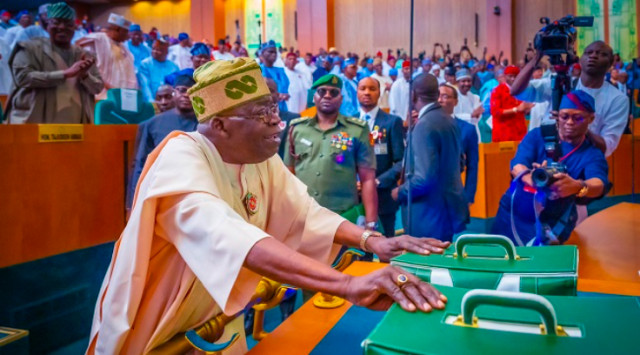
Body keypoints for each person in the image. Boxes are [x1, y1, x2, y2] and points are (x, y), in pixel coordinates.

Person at [89, 58, 449, 354]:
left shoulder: (257, 156)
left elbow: (305, 214)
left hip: (218, 325)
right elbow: (229, 237)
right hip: (156, 330)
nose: (278, 121)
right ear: (220, 124)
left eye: (275, 110)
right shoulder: (180, 156)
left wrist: (373, 242)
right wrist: (346, 285)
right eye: (262, 114)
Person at [492, 90, 609, 246]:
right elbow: (517, 165)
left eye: (578, 118)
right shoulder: (538, 135)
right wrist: (531, 178)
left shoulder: (590, 153)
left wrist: (577, 187)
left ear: (591, 119)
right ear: (557, 116)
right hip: (512, 216)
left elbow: (599, 183)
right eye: (564, 116)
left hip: (553, 224)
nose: (569, 122)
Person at [284, 74, 379, 229]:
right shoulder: (296, 129)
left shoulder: (357, 130)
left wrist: (371, 222)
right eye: (322, 91)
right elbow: (288, 175)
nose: (327, 96)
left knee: (345, 255)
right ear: (314, 97)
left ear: (341, 99)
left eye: (333, 92)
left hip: (343, 216)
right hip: (303, 215)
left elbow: (368, 179)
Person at [511, 41, 629, 157]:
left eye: (601, 54)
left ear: (611, 63)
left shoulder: (618, 99)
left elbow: (606, 147)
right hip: (547, 155)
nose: (593, 56)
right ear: (580, 60)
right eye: (589, 53)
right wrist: (537, 57)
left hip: (583, 162)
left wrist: (577, 125)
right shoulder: (560, 83)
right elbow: (516, 91)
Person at [392, 74, 469, 241]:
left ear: (413, 95)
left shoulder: (424, 125)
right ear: (436, 94)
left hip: (428, 214)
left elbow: (424, 179)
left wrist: (400, 191)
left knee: (426, 265)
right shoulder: (448, 119)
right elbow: (460, 163)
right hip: (446, 210)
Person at [5, 2, 103, 124]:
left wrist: (85, 75)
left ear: (75, 28)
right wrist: (65, 74)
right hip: (35, 124)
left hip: (76, 125)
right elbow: (23, 78)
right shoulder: (29, 48)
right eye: (56, 22)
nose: (62, 27)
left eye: (68, 24)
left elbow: (98, 87)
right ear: (47, 26)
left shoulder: (84, 55)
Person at [127, 74, 198, 208]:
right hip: (162, 190)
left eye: (192, 90)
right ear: (174, 92)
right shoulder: (152, 124)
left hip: (197, 190)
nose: (186, 95)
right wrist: (133, 203)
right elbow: (140, 164)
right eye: (182, 90)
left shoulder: (207, 123)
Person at [357, 77, 404, 237]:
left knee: (387, 247)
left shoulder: (392, 122)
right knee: (356, 251)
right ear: (357, 92)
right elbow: (340, 158)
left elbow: (401, 162)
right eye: (363, 88)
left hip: (382, 197)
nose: (367, 93)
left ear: (380, 93)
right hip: (353, 199)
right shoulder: (346, 122)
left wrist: (377, 181)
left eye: (372, 89)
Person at [75, 13, 137, 100]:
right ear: (117, 29)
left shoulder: (124, 48)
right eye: (125, 32)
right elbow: (80, 52)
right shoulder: (98, 40)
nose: (128, 37)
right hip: (100, 95)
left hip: (121, 98)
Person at [438, 84, 479, 206]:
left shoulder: (467, 129)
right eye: (437, 96)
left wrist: (469, 197)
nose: (440, 100)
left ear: (455, 102)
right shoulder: (423, 125)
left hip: (454, 191)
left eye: (445, 96)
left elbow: (472, 166)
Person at [490, 65, 535, 142]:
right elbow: (495, 112)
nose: (513, 79)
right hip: (503, 134)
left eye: (515, 76)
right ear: (504, 76)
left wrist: (528, 109)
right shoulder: (497, 91)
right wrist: (516, 109)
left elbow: (525, 109)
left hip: (520, 132)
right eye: (510, 76)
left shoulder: (523, 90)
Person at [260, 40, 290, 113]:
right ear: (263, 53)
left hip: (281, 109)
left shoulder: (280, 71)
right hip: (265, 110)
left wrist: (285, 95)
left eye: (275, 52)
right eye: (270, 52)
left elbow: (285, 89)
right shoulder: (258, 70)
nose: (274, 54)